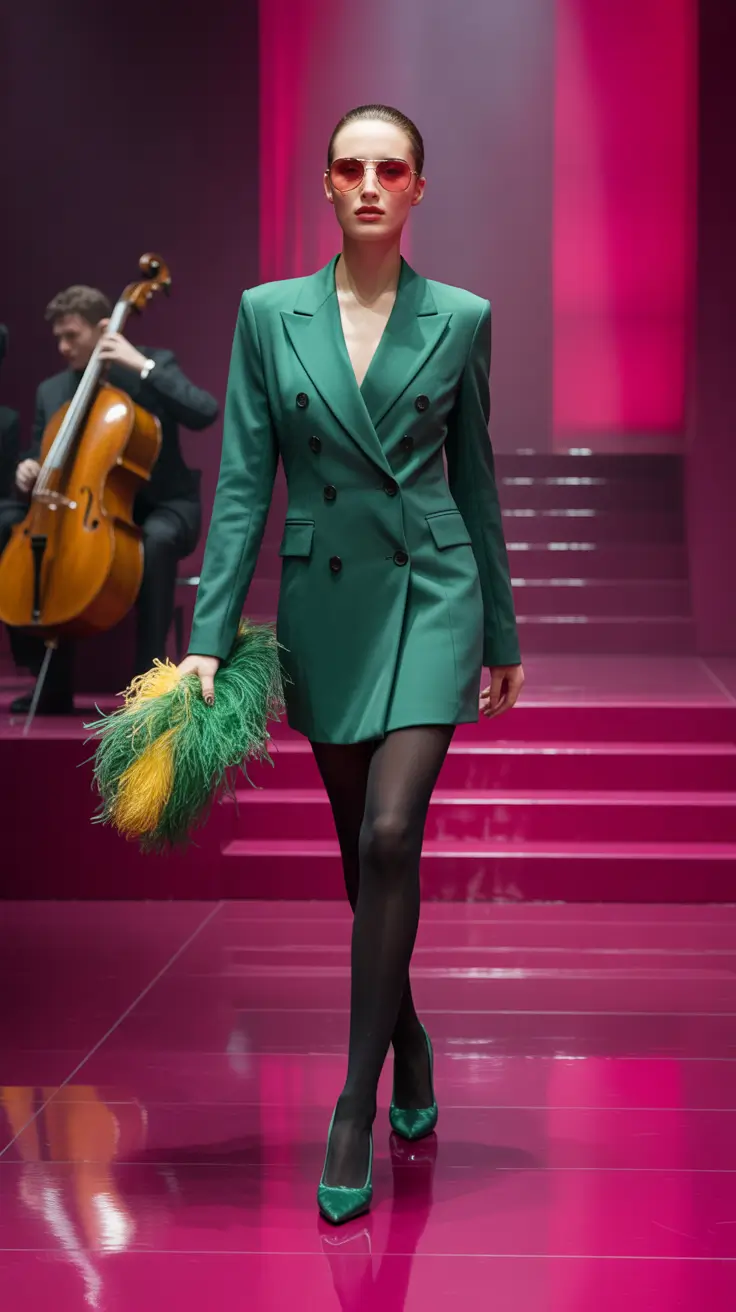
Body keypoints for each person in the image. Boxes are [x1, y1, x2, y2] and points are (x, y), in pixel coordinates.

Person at [178, 104, 525, 1223]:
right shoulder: (266, 314)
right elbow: (243, 484)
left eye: (390, 168)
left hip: (431, 591)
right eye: (349, 167)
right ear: (325, 185)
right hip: (325, 605)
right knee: (358, 850)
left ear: (418, 187)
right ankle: (408, 1036)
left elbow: (474, 481)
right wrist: (206, 636)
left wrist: (502, 631)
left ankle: (351, 1102)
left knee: (387, 835)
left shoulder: (460, 317)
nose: (369, 183)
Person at [2, 286, 218, 714]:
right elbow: (40, 451)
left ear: (103, 328)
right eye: (58, 338)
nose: (63, 347)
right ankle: (51, 683)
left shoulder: (150, 365)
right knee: (31, 537)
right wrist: (27, 468)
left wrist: (143, 366)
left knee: (155, 540)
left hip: (162, 506)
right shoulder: (52, 391)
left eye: (72, 336)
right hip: (88, 509)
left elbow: (204, 410)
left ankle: (148, 684)